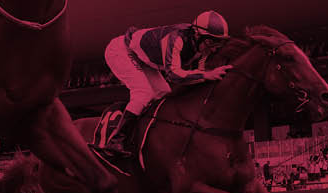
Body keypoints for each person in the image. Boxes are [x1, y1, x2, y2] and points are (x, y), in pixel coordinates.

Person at [98, 11, 234, 165]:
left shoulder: (201, 49)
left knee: (164, 94)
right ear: (197, 34)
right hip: (122, 50)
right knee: (143, 93)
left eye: (217, 43)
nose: (213, 48)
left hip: (144, 60)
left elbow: (198, 76)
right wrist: (208, 75)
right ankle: (116, 140)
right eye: (211, 42)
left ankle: (145, 137)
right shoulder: (176, 39)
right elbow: (174, 75)